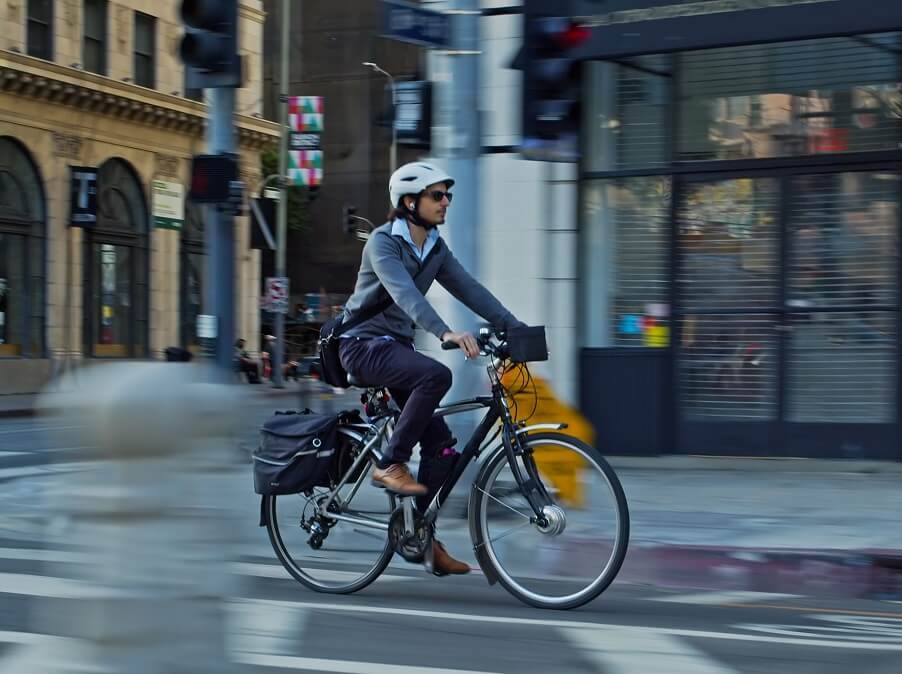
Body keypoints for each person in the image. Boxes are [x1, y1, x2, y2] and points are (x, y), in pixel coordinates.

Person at [338, 162, 526, 576]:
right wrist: (445, 332)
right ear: (410, 202)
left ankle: (418, 534)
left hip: (395, 351)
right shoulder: (383, 244)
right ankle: (391, 463)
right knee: (436, 375)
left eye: (447, 196)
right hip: (361, 346)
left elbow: (469, 288)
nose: (445, 203)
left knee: (443, 451)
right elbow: (406, 296)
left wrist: (515, 326)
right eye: (436, 195)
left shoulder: (434, 247)